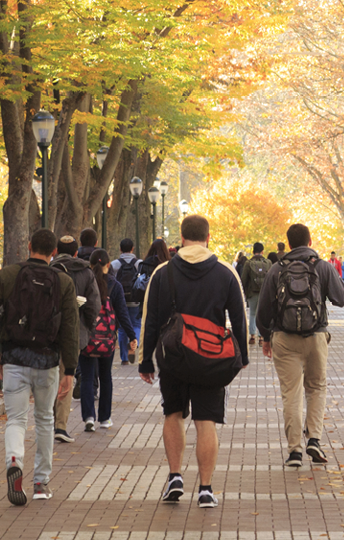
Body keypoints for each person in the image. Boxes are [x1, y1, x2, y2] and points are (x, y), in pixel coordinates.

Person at [138, 215, 249, 507]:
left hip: (173, 357)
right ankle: (206, 489)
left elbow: (150, 319)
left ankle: (175, 476)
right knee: (206, 420)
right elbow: (239, 318)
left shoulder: (163, 273)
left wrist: (146, 361)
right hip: (211, 360)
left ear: (182, 237)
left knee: (172, 413)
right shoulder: (225, 273)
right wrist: (242, 358)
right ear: (208, 237)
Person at [0, 228, 80, 506]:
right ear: (54, 252)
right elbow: (70, 328)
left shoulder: (9, 275)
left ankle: (13, 459)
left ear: (29, 245)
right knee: (45, 419)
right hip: (47, 362)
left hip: (14, 359)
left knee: (16, 419)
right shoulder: (63, 282)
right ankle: (41, 483)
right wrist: (69, 369)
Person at [257, 223, 344, 468]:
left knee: (291, 393)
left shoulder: (277, 269)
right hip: (316, 336)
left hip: (284, 339)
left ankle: (295, 450)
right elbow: (341, 298)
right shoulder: (322, 266)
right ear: (310, 241)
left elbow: (262, 311)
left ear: (288, 244)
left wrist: (266, 337)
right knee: (316, 387)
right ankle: (315, 439)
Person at [51, 235, 101, 444]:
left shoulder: (48, 269)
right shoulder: (86, 272)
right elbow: (93, 304)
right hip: (75, 331)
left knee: (49, 376)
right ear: (75, 252)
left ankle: (47, 421)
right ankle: (60, 425)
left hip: (48, 331)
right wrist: (88, 327)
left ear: (56, 250)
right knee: (66, 374)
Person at [80, 248, 125, 432]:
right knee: (106, 377)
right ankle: (105, 418)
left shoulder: (84, 284)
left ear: (90, 265)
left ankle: (89, 416)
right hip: (107, 339)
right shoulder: (115, 286)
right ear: (108, 264)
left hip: (87, 337)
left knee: (87, 377)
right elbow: (122, 313)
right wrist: (130, 335)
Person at [111, 238, 144, 365]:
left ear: (120, 249)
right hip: (135, 300)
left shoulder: (114, 264)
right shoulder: (139, 263)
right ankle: (133, 344)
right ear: (132, 249)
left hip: (120, 301)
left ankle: (124, 358)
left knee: (122, 328)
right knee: (136, 324)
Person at [239, 243, 271, 345]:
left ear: (253, 251)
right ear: (262, 251)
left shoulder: (248, 263)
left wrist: (243, 292)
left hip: (252, 293)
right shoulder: (268, 263)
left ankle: (252, 337)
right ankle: (261, 337)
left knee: (252, 314)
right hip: (264, 293)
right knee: (262, 315)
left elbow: (243, 279)